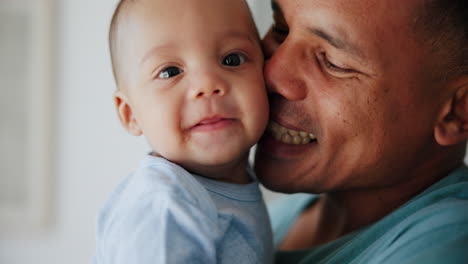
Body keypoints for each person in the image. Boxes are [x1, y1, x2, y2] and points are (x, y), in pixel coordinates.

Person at [254, 0, 468, 263]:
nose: (271, 73)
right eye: (281, 29)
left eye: (334, 63)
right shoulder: (306, 205)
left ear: (459, 112)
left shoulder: (444, 249)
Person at [93, 0, 273, 263]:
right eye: (170, 72)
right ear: (130, 113)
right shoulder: (163, 209)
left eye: (232, 59)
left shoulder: (228, 187)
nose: (207, 84)